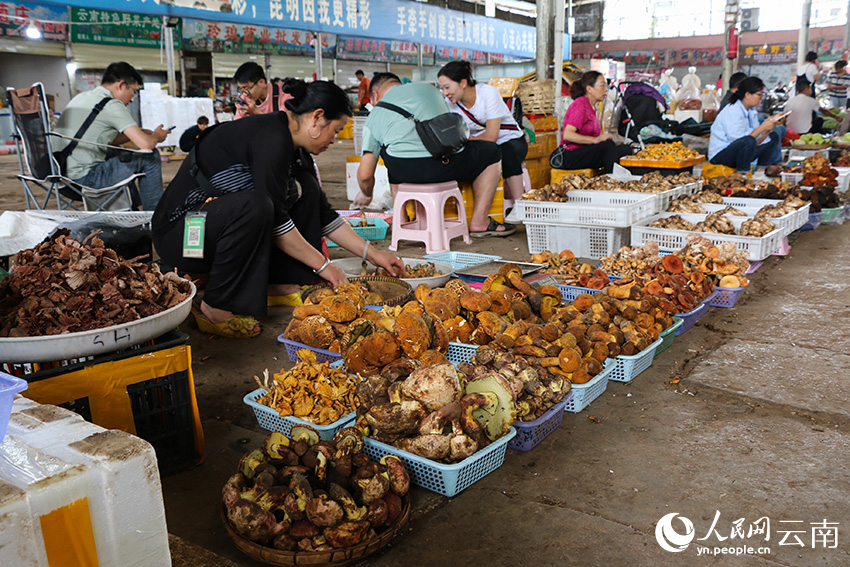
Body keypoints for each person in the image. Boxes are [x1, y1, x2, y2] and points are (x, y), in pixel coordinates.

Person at [152, 79, 403, 338]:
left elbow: (324, 216)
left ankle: (278, 284)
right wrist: (325, 266)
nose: (334, 139)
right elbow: (276, 221)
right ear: (317, 118)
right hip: (181, 233)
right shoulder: (270, 138)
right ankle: (216, 307)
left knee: (305, 188)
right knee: (256, 206)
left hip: (212, 226)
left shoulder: (295, 147)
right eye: (336, 130)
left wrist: (374, 255)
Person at [353, 73, 512, 237]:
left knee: (390, 154)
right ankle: (480, 221)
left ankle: (404, 223)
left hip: (404, 174)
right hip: (445, 166)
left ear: (375, 95)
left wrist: (366, 194)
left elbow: (365, 175)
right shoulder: (428, 90)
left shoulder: (374, 116)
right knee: (491, 151)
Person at [53, 61, 168, 211]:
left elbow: (102, 140)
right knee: (149, 157)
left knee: (123, 153)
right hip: (85, 179)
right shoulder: (111, 105)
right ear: (120, 85)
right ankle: (155, 217)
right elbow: (146, 145)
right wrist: (156, 136)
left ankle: (130, 211)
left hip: (61, 175)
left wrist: (135, 134)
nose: (132, 99)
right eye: (133, 91)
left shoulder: (81, 97)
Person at [437, 60, 528, 205]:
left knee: (507, 153)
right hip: (482, 144)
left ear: (463, 83)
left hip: (510, 139)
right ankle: (460, 204)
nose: (445, 93)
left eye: (447, 87)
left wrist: (466, 140)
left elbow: (492, 136)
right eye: (442, 89)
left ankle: (521, 205)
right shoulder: (450, 104)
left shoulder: (487, 93)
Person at [551, 71, 632, 174]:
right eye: (602, 86)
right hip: (570, 155)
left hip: (585, 152)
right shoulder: (581, 104)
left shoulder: (593, 107)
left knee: (626, 150)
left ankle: (616, 178)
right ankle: (610, 181)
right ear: (589, 89)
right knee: (608, 146)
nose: (606, 90)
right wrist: (595, 140)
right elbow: (568, 135)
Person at [708, 76, 786, 171]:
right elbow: (741, 140)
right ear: (748, 94)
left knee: (773, 137)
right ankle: (742, 174)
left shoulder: (751, 111)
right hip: (720, 155)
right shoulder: (733, 110)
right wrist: (762, 127)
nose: (761, 99)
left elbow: (757, 139)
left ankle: (760, 171)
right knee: (748, 141)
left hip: (738, 150)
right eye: (759, 95)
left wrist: (768, 128)